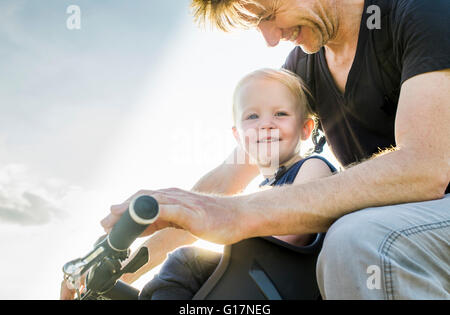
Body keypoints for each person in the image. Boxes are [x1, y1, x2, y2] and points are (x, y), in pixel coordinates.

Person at [68, 0, 449, 299]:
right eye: (258, 25)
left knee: (358, 238)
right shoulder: (304, 66)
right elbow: (226, 179)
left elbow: (425, 167)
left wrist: (237, 215)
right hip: (391, 224)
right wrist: (120, 266)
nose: (270, 37)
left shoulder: (419, 10)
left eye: (269, 14)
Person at [138, 68, 337, 299]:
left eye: (280, 114)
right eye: (253, 116)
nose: (266, 124)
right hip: (258, 280)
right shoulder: (264, 187)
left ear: (305, 128)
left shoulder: (312, 166)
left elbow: (293, 228)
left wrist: (232, 226)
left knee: (187, 262)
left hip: (288, 284)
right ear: (238, 136)